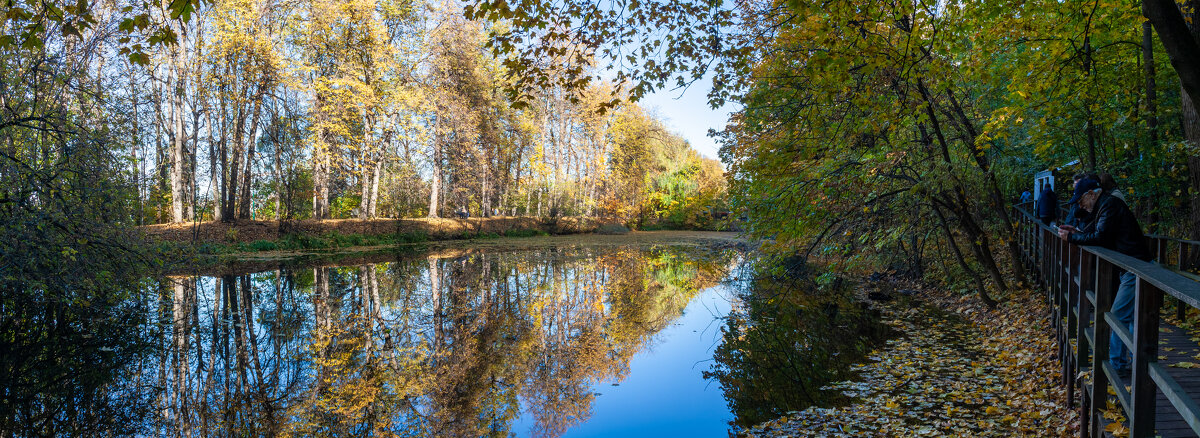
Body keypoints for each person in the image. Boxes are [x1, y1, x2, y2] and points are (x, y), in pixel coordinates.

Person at [1057, 178, 1152, 377]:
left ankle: (1117, 367)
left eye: (1081, 200)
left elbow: (1101, 237)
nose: (1080, 205)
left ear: (1092, 194)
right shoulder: (1105, 205)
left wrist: (1073, 238)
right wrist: (1078, 231)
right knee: (1132, 317)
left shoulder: (1109, 205)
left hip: (1135, 268)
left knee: (1118, 316)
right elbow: (1100, 232)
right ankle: (1136, 365)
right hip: (1133, 266)